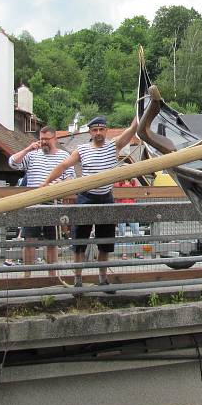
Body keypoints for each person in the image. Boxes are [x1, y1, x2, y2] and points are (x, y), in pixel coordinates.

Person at [42, 115, 138, 291]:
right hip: (86, 197)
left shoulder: (113, 145)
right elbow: (63, 165)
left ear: (106, 130)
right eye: (95, 130)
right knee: (79, 242)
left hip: (106, 198)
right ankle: (78, 280)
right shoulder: (82, 149)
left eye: (101, 129)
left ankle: (103, 279)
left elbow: (132, 130)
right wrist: (46, 183)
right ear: (90, 132)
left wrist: (142, 110)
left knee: (105, 242)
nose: (99, 133)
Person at [8, 126, 75, 274]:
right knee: (29, 241)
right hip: (33, 204)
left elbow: (71, 178)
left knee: (52, 243)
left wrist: (60, 184)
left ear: (55, 139)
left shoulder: (64, 156)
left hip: (53, 204)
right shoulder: (33, 155)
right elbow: (12, 162)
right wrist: (27, 149)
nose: (44, 142)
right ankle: (28, 277)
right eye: (41, 139)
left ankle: (52, 276)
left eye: (47, 139)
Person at [115, 177, 141, 258]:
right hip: (121, 209)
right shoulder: (117, 182)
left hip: (132, 209)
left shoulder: (134, 182)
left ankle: (136, 251)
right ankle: (124, 252)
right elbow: (116, 196)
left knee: (136, 230)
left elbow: (136, 194)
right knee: (122, 231)